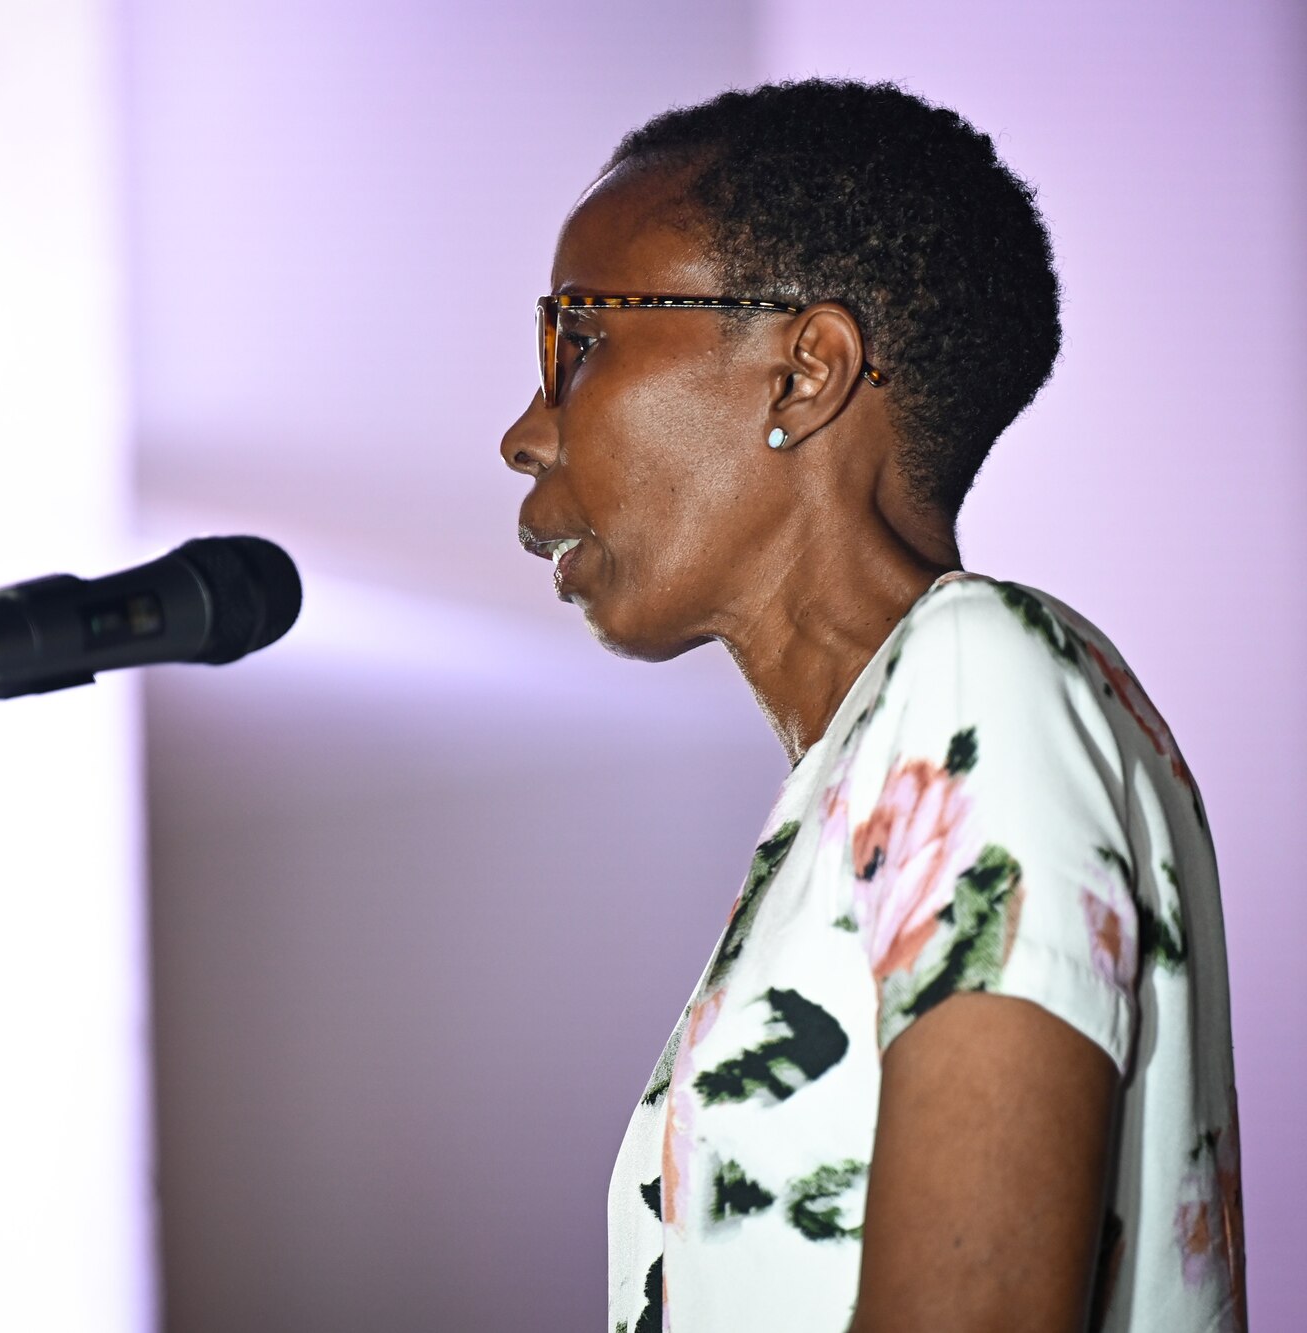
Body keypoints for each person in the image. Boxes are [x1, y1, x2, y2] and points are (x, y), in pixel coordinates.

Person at [499, 80, 1244, 1333]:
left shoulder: (979, 673)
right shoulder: (864, 777)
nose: (526, 432)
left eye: (578, 339)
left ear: (805, 373)